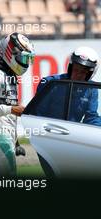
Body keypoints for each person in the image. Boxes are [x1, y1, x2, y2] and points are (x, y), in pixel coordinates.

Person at [36, 46, 101, 177]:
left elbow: (91, 117)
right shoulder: (50, 83)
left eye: (83, 72)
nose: (78, 74)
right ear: (70, 67)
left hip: (72, 139)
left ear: (90, 73)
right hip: (48, 139)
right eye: (76, 69)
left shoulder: (91, 89)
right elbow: (37, 114)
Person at [0, 32, 35, 176]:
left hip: (6, 134)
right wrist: (11, 109)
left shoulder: (10, 76)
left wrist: (15, 142)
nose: (25, 62)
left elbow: (10, 116)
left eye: (27, 59)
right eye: (22, 57)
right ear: (10, 52)